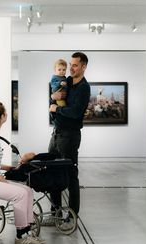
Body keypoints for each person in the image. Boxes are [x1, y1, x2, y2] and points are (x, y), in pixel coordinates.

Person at [0, 100, 45, 244]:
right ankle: (20, 236)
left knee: (27, 190)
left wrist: (10, 168)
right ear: (3, 117)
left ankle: (27, 230)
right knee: (20, 193)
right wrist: (5, 182)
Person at [43, 52, 90, 226]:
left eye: (75, 65)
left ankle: (72, 217)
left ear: (84, 66)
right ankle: (55, 214)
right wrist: (52, 97)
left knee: (71, 176)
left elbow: (76, 112)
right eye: (70, 64)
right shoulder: (67, 81)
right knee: (52, 171)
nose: (71, 68)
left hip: (70, 136)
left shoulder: (84, 88)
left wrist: (57, 109)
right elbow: (54, 93)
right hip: (56, 133)